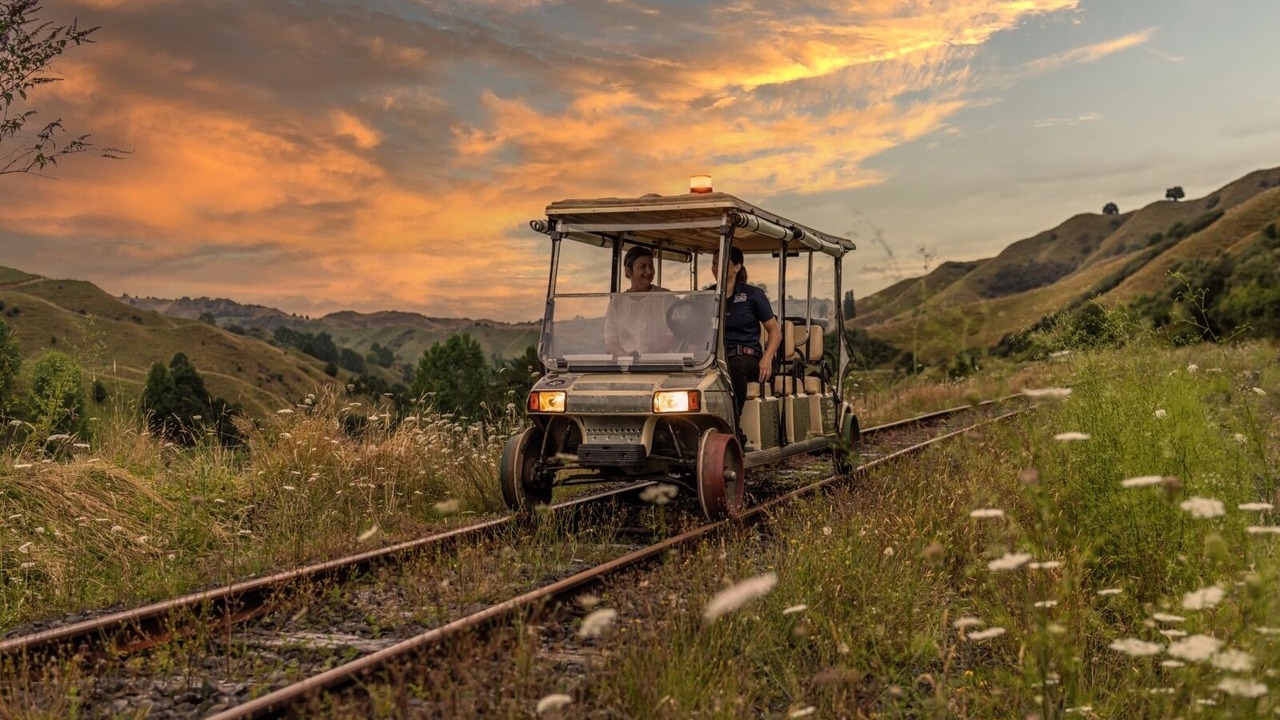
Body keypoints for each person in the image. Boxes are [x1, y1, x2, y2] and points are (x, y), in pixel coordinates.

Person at [712, 246, 781, 445]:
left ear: (737, 267)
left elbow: (775, 332)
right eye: (714, 263)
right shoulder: (709, 296)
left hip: (749, 359)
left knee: (736, 366)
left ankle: (731, 426)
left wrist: (767, 358)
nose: (716, 268)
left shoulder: (752, 295)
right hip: (716, 358)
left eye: (722, 263)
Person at [604, 246, 676, 356]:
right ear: (628, 271)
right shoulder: (616, 302)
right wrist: (628, 359)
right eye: (642, 266)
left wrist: (644, 358)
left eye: (651, 266)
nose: (649, 271)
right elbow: (611, 342)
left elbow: (671, 335)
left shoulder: (665, 297)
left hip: (659, 362)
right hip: (626, 363)